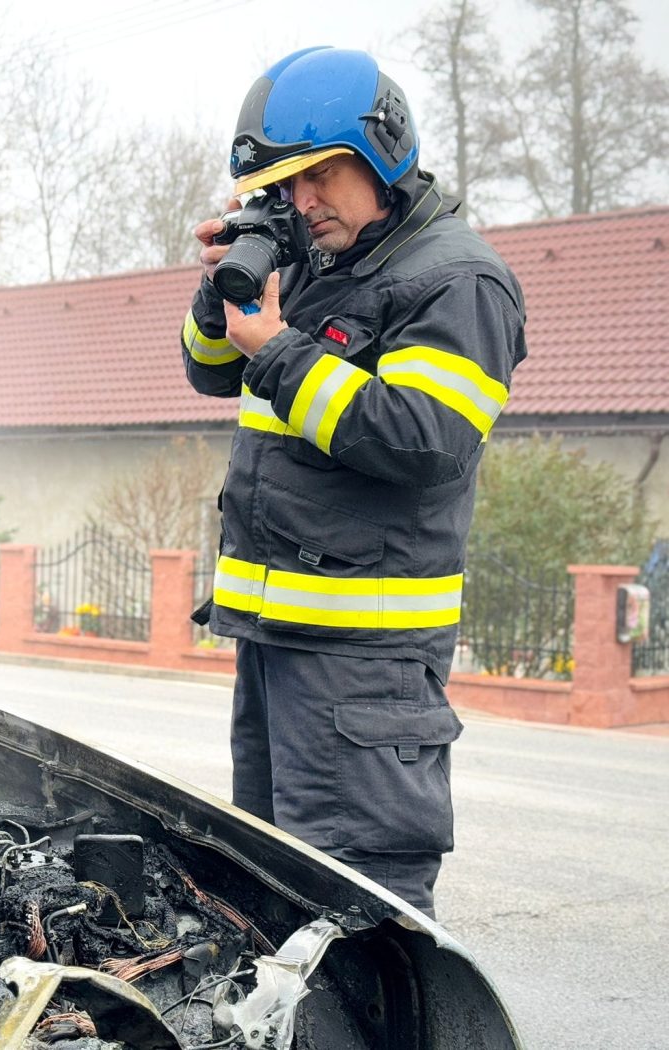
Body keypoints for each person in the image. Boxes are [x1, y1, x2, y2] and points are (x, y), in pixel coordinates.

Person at [181, 46, 526, 917]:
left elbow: (425, 439)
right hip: (277, 645)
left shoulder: (456, 280)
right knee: (269, 897)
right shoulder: (315, 266)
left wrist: (279, 350)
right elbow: (211, 372)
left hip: (365, 667)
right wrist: (220, 293)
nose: (302, 201)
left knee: (360, 910)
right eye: (285, 184)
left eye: (320, 174)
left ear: (382, 153)